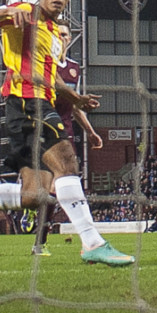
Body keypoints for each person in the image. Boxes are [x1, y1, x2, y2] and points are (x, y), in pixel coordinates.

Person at [0, 0, 133, 266]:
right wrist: (6, 11)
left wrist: (76, 99)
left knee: (35, 196)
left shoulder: (52, 32)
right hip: (26, 101)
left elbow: (53, 79)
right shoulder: (26, 12)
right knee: (68, 164)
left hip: (37, 102)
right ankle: (92, 243)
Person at [29, 20, 104, 256]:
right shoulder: (41, 64)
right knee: (60, 181)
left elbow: (74, 104)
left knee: (55, 188)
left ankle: (40, 242)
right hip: (44, 127)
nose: (61, 38)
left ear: (69, 39)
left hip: (66, 130)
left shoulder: (73, 68)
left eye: (64, 35)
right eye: (57, 33)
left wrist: (90, 131)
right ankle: (89, 240)